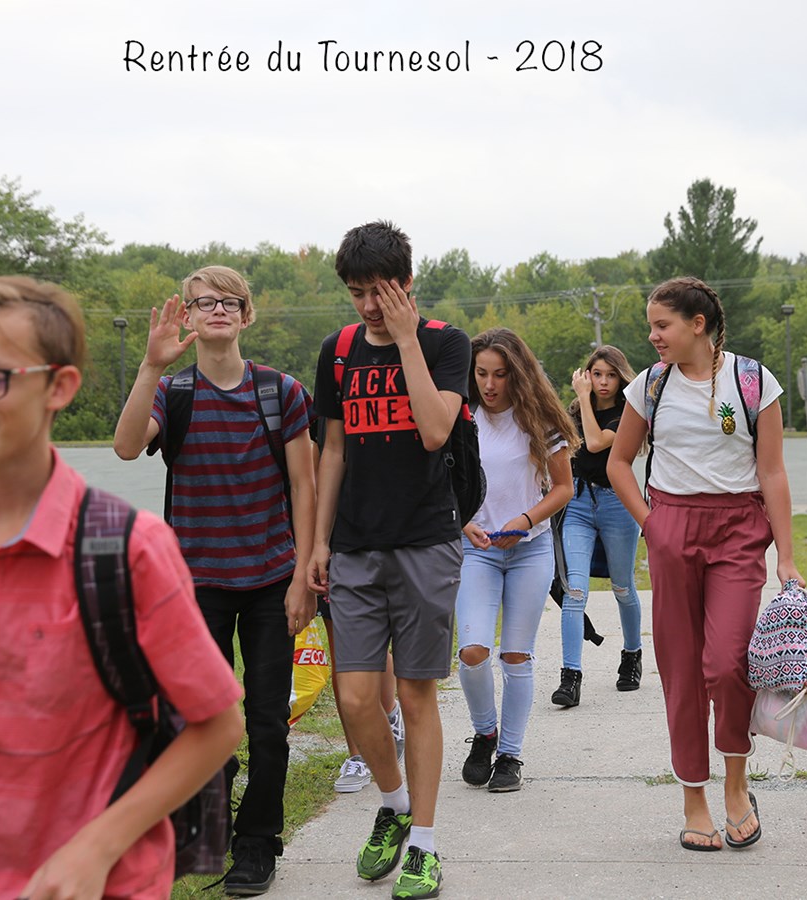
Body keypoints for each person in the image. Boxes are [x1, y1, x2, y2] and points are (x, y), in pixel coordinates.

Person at [0, 276, 243, 899]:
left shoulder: (129, 549)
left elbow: (218, 724)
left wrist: (98, 846)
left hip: (97, 883)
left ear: (59, 386)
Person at [113, 265, 316, 895]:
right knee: (201, 719)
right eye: (205, 303)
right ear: (190, 318)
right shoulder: (174, 394)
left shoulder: (280, 392)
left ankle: (258, 845)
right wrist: (150, 367)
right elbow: (124, 447)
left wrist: (303, 577)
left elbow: (305, 487)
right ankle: (212, 829)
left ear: (247, 315)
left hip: (268, 581)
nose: (219, 310)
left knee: (266, 722)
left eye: (230, 302)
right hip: (194, 585)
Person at [608, 276, 803, 853]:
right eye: (651, 326)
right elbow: (621, 463)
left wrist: (786, 557)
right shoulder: (650, 386)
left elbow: (772, 472)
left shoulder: (751, 381)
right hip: (672, 528)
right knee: (682, 673)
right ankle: (695, 796)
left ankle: (736, 784)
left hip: (739, 532)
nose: (652, 337)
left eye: (662, 325)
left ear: (698, 325)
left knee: (726, 663)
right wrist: (653, 525)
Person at [308, 221, 469, 899]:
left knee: (416, 694)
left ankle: (425, 845)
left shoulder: (444, 343)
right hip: (352, 546)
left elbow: (435, 431)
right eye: (356, 293)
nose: (369, 305)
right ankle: (394, 804)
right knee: (353, 696)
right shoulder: (338, 351)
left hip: (425, 542)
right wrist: (317, 541)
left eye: (380, 290)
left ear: (407, 282)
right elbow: (333, 451)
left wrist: (405, 341)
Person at [457, 328, 577, 790]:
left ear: (517, 374)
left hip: (530, 549)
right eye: (481, 373)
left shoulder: (539, 420)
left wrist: (524, 521)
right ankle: (484, 732)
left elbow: (563, 488)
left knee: (515, 655)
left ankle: (510, 755)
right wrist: (463, 522)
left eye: (500, 374)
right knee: (472, 651)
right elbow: (442, 486)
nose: (489, 384)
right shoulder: (459, 417)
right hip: (476, 550)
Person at [308, 426, 405, 795]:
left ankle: (389, 714)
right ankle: (359, 753)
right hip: (335, 542)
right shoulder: (323, 409)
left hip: (387, 535)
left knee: (376, 646)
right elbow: (311, 480)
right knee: (345, 653)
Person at [552, 345, 643, 708]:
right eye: (596, 374)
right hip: (576, 503)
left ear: (621, 377)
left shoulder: (627, 414)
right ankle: (570, 677)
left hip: (616, 504)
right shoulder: (574, 410)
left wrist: (584, 398)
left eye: (610, 375)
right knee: (575, 591)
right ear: (587, 374)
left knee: (622, 587)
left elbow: (593, 442)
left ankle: (632, 655)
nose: (603, 382)